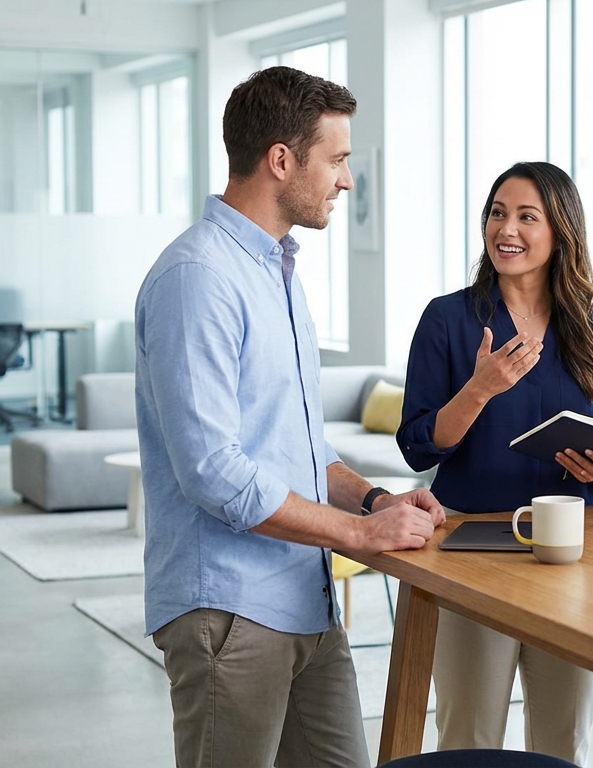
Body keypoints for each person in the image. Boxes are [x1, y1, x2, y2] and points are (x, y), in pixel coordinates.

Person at [135, 66, 445, 768]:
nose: (346, 180)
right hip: (231, 611)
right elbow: (213, 472)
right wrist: (358, 532)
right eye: (336, 160)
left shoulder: (277, 273)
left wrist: (374, 500)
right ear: (281, 159)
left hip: (305, 601)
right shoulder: (199, 277)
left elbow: (299, 450)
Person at [397, 161, 593, 763]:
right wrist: (480, 389)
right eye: (498, 212)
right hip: (473, 545)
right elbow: (418, 444)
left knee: (563, 736)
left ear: (561, 233)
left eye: (528, 216)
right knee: (470, 735)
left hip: (569, 550)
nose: (508, 228)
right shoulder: (447, 319)